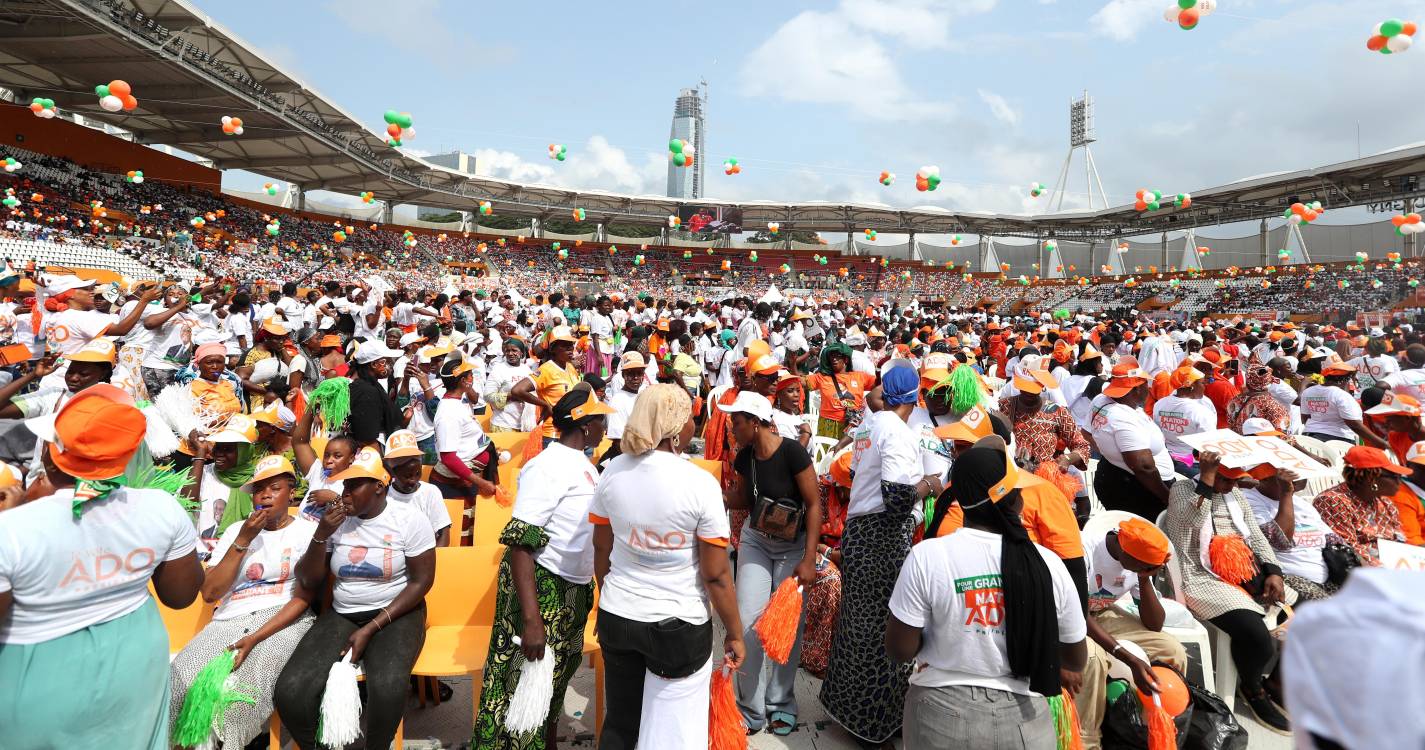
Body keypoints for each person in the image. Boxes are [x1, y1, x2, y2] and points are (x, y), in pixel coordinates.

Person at [0, 384, 203, 750]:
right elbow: (181, 596)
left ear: (52, 456)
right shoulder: (161, 507)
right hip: (134, 662)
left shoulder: (11, 529)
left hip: (39, 675)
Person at [886, 436, 1087, 750]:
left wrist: (942, 636)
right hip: (1026, 724)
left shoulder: (928, 556)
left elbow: (900, 648)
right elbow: (1075, 657)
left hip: (940, 716)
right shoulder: (1048, 564)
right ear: (1017, 500)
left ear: (958, 499)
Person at [590, 384, 745, 750]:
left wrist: (608, 598)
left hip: (618, 616)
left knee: (622, 722)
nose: (695, 424)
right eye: (690, 418)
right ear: (675, 430)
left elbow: (601, 546)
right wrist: (735, 633)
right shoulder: (699, 484)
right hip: (678, 627)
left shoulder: (612, 471)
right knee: (673, 732)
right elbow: (716, 575)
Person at [473, 386, 612, 749]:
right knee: (518, 689)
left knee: (552, 684)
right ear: (584, 425)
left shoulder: (583, 464)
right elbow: (521, 541)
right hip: (541, 586)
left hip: (572, 588)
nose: (605, 425)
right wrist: (532, 620)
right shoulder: (547, 467)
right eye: (600, 419)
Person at [274, 447, 437, 750]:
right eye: (344, 485)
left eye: (354, 485)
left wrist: (371, 628)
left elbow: (421, 582)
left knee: (388, 686)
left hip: (396, 611)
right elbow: (309, 579)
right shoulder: (335, 521)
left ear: (379, 486)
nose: (344, 492)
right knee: (290, 691)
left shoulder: (409, 520)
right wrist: (322, 533)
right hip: (343, 611)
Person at [821, 365, 944, 749]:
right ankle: (873, 724)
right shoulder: (896, 431)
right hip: (882, 539)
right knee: (881, 630)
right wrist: (929, 484)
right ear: (914, 398)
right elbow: (895, 498)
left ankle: (845, 709)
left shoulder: (868, 427)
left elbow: (861, 475)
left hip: (861, 534)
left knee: (857, 625)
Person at [168, 454, 318, 748]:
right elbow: (210, 593)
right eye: (258, 490)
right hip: (230, 618)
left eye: (274, 488)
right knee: (177, 686)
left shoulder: (307, 532)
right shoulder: (237, 530)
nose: (264, 495)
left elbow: (304, 598)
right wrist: (244, 540)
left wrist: (256, 637)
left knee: (238, 699)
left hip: (282, 618)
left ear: (291, 489)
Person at [1161, 451, 1290, 733]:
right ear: (1209, 471)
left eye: (1234, 479)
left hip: (1245, 572)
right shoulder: (1182, 489)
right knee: (1256, 636)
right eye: (1224, 478)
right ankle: (1253, 689)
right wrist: (1207, 480)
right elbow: (1188, 523)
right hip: (1201, 577)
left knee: (1308, 612)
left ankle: (1276, 683)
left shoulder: (1236, 496)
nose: (1231, 485)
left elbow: (1254, 535)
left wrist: (1274, 572)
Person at [720, 391, 822, 735]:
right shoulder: (745, 457)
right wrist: (711, 493)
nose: (732, 427)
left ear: (755, 422)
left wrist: (809, 559)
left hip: (793, 547)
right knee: (747, 622)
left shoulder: (793, 452)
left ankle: (781, 703)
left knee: (784, 627)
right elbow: (742, 498)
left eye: (736, 421)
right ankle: (751, 709)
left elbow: (814, 504)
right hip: (756, 541)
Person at [1074, 517, 1189, 750]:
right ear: (1127, 550)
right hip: (1074, 618)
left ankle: (1157, 728)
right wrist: (1126, 656)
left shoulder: (1137, 564)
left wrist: (1144, 577)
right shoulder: (1085, 549)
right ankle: (1087, 741)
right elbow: (1077, 615)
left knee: (1172, 649)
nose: (1146, 571)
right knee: (1094, 658)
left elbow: (1155, 623)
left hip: (1102, 613)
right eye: (1144, 566)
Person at [1240, 460, 1339, 601]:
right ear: (1265, 477)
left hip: (1325, 579)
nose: (1297, 474)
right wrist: (1286, 493)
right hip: (1288, 579)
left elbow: (1335, 541)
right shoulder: (1249, 499)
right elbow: (1281, 542)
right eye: (1288, 470)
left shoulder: (1302, 504)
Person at [1089, 361, 1177, 519]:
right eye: (1145, 384)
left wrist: (1109, 452)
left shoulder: (1100, 400)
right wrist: (1168, 497)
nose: (1148, 388)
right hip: (1140, 490)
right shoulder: (1123, 418)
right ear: (1136, 389)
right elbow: (1143, 467)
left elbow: (1086, 431)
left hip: (1113, 473)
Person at [1312, 446, 1409, 567]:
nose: (1400, 482)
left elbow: (1401, 539)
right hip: (1363, 572)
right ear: (1371, 478)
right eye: (1395, 477)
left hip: (1397, 565)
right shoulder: (1333, 501)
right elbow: (1348, 549)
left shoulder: (1385, 503)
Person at [183, 414, 260, 559]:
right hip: (199, 554)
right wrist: (201, 453)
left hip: (238, 556)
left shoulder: (256, 480)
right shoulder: (202, 472)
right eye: (218, 447)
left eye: (228, 449)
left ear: (244, 452)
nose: (219, 454)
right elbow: (186, 503)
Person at [510, 325, 580, 460]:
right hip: (553, 434)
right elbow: (517, 390)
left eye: (571, 345)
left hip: (570, 432)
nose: (570, 349)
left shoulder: (570, 367)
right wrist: (545, 405)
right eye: (565, 345)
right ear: (553, 348)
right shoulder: (546, 369)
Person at [383, 429, 454, 547]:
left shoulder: (430, 492)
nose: (413, 480)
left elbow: (443, 534)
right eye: (407, 476)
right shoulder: (384, 497)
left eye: (417, 474)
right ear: (391, 472)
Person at [1301, 357, 1385, 447]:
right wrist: (1382, 443)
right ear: (1344, 379)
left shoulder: (1307, 392)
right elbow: (1355, 425)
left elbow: (1305, 418)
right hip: (1337, 441)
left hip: (1309, 437)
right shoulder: (1342, 396)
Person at [1151, 365, 1216, 477]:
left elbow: (1157, 432)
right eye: (1201, 383)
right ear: (1191, 386)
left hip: (1166, 459)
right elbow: (1209, 445)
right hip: (1192, 465)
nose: (1204, 386)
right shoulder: (1201, 412)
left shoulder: (1159, 404)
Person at [805, 342, 875, 439]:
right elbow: (800, 382)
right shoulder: (822, 377)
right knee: (828, 452)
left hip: (853, 424)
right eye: (831, 356)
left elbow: (880, 384)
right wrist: (793, 364)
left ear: (846, 359)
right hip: (828, 424)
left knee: (850, 453)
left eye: (837, 356)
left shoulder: (859, 376)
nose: (833, 359)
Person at [347, 339, 404, 448]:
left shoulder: (372, 386)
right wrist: (380, 464)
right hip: (372, 456)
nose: (391, 364)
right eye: (387, 361)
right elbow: (367, 439)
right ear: (373, 364)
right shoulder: (366, 392)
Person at [484, 338, 536, 433]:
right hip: (503, 425)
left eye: (514, 350)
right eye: (507, 351)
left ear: (522, 353)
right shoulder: (498, 369)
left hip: (524, 425)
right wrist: (512, 396)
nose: (510, 353)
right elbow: (487, 396)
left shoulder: (527, 370)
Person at [1227, 364, 1291, 435]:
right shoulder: (1273, 405)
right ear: (1268, 381)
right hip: (1260, 444)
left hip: (1237, 443)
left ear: (1248, 379)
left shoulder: (1235, 400)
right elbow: (1283, 435)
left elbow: (1230, 425)